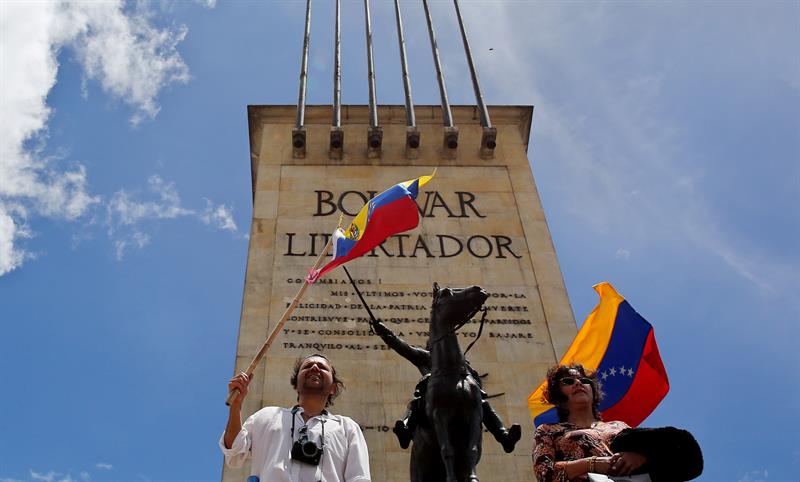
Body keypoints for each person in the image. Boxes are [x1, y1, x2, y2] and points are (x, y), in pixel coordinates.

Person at [370, 317, 521, 453]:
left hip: (463, 398)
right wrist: (384, 332)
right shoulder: (428, 358)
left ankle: (504, 437)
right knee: (416, 401)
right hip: (432, 397)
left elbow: (476, 383)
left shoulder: (462, 365)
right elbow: (403, 347)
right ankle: (406, 429)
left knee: (482, 403)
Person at [220, 354, 371, 482]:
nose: (314, 368)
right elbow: (234, 453)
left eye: (322, 367)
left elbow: (359, 478)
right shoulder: (266, 416)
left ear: (333, 388)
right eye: (307, 366)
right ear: (296, 384)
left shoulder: (347, 427)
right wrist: (236, 405)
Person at [532, 364, 648, 482]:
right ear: (557, 394)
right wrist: (592, 463)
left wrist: (641, 457)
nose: (578, 383)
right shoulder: (548, 430)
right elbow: (544, 473)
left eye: (584, 380)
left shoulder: (620, 426)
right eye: (568, 381)